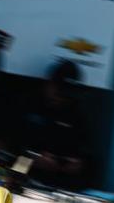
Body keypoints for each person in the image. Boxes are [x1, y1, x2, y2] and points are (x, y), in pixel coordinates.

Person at [21, 59, 90, 190]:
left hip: (60, 187)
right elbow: (9, 151)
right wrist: (33, 160)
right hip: (24, 180)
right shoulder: (28, 105)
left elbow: (86, 158)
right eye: (59, 91)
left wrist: (77, 165)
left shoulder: (76, 116)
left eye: (66, 94)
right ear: (49, 84)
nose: (61, 98)